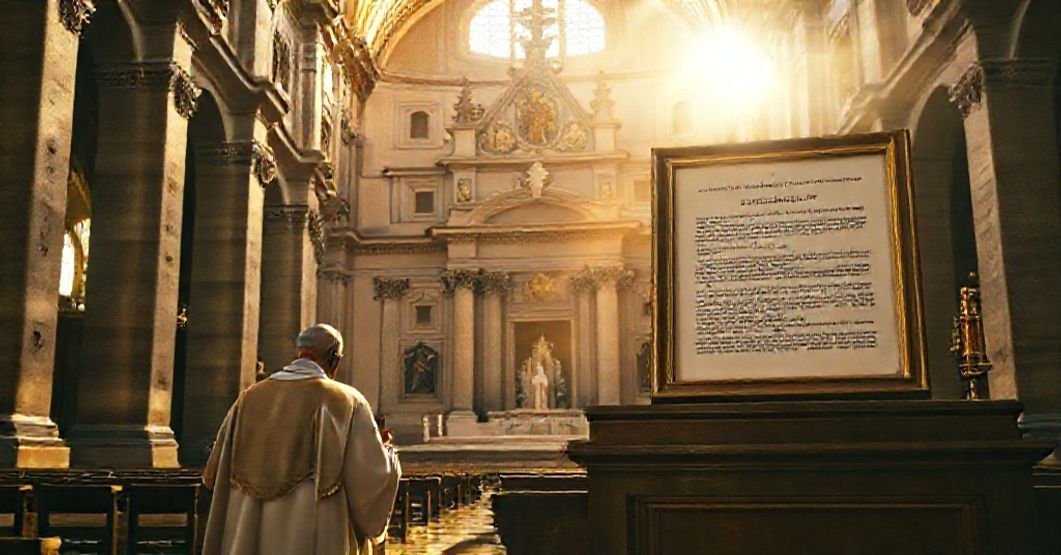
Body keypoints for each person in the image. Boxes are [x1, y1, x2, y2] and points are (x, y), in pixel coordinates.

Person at [202, 324, 401, 554]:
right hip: (317, 535)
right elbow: (370, 478)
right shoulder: (345, 401)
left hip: (252, 535)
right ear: (334, 359)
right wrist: (387, 452)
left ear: (299, 352)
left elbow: (215, 473)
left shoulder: (249, 398)